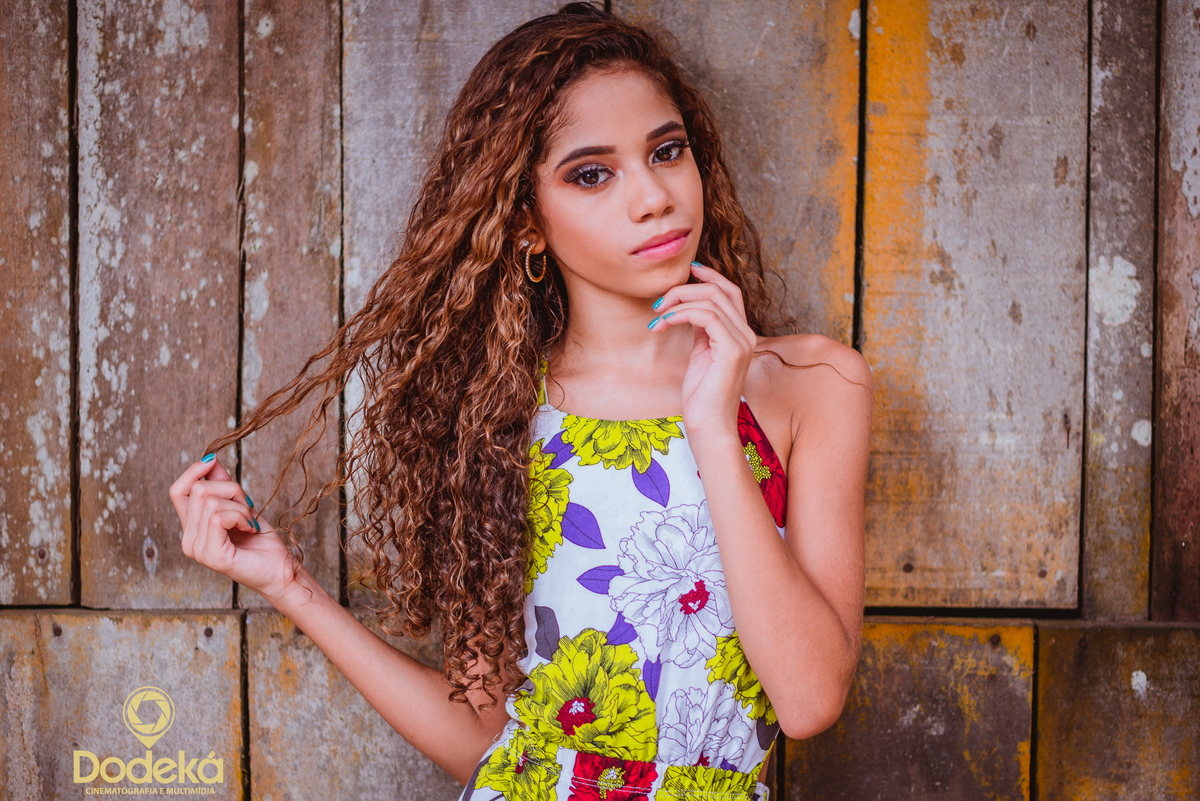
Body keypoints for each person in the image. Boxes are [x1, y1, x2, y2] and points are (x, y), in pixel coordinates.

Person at [169, 4, 870, 799]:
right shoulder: (496, 417)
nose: (653, 196)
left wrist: (712, 425)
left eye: (666, 151)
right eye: (592, 173)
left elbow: (810, 699)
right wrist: (289, 587)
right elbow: (484, 740)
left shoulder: (814, 385)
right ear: (528, 220)